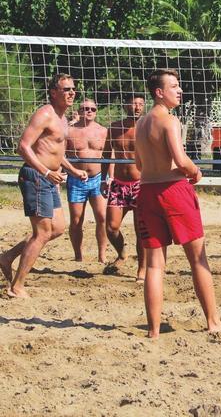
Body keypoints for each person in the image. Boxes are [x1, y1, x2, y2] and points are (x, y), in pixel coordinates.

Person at [134, 69, 221, 338]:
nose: (179, 91)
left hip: (146, 191)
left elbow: (139, 165)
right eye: (174, 86)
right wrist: (195, 171)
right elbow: (180, 160)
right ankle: (213, 322)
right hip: (173, 191)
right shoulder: (170, 121)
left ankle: (153, 330)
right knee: (198, 259)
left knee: (154, 265)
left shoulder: (141, 124)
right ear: (159, 92)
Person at [0, 73, 88, 298]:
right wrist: (46, 171)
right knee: (42, 232)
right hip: (37, 176)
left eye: (73, 89)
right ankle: (17, 287)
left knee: (57, 229)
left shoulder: (62, 118)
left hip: (49, 178)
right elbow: (23, 147)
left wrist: (72, 169)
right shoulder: (45, 114)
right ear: (53, 92)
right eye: (66, 89)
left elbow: (55, 150)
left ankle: (7, 257)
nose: (71, 93)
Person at [102, 93, 146, 282]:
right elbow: (106, 153)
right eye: (133, 103)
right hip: (119, 184)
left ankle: (142, 269)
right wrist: (104, 178)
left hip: (140, 184)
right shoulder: (114, 127)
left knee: (140, 230)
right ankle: (122, 254)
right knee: (111, 228)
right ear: (125, 105)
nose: (136, 107)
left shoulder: (147, 126)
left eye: (140, 104)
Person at [66, 99, 109, 263]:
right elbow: (62, 155)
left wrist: (108, 177)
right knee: (76, 220)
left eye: (92, 109)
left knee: (102, 217)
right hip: (76, 180)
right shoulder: (70, 131)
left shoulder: (103, 131)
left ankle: (102, 255)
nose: (89, 111)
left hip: (97, 179)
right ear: (79, 111)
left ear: (96, 111)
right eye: (85, 108)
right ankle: (78, 255)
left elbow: (108, 156)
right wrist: (70, 172)